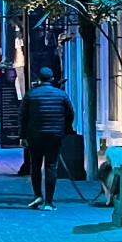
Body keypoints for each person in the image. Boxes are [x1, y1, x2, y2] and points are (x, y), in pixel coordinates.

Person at [19, 67, 76, 210]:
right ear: (51, 79)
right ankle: (49, 202)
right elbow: (70, 113)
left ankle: (37, 195)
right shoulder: (61, 95)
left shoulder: (30, 95)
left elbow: (23, 117)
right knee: (51, 167)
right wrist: (66, 128)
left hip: (35, 136)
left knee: (36, 166)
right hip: (55, 136)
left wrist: (22, 136)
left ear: (39, 79)